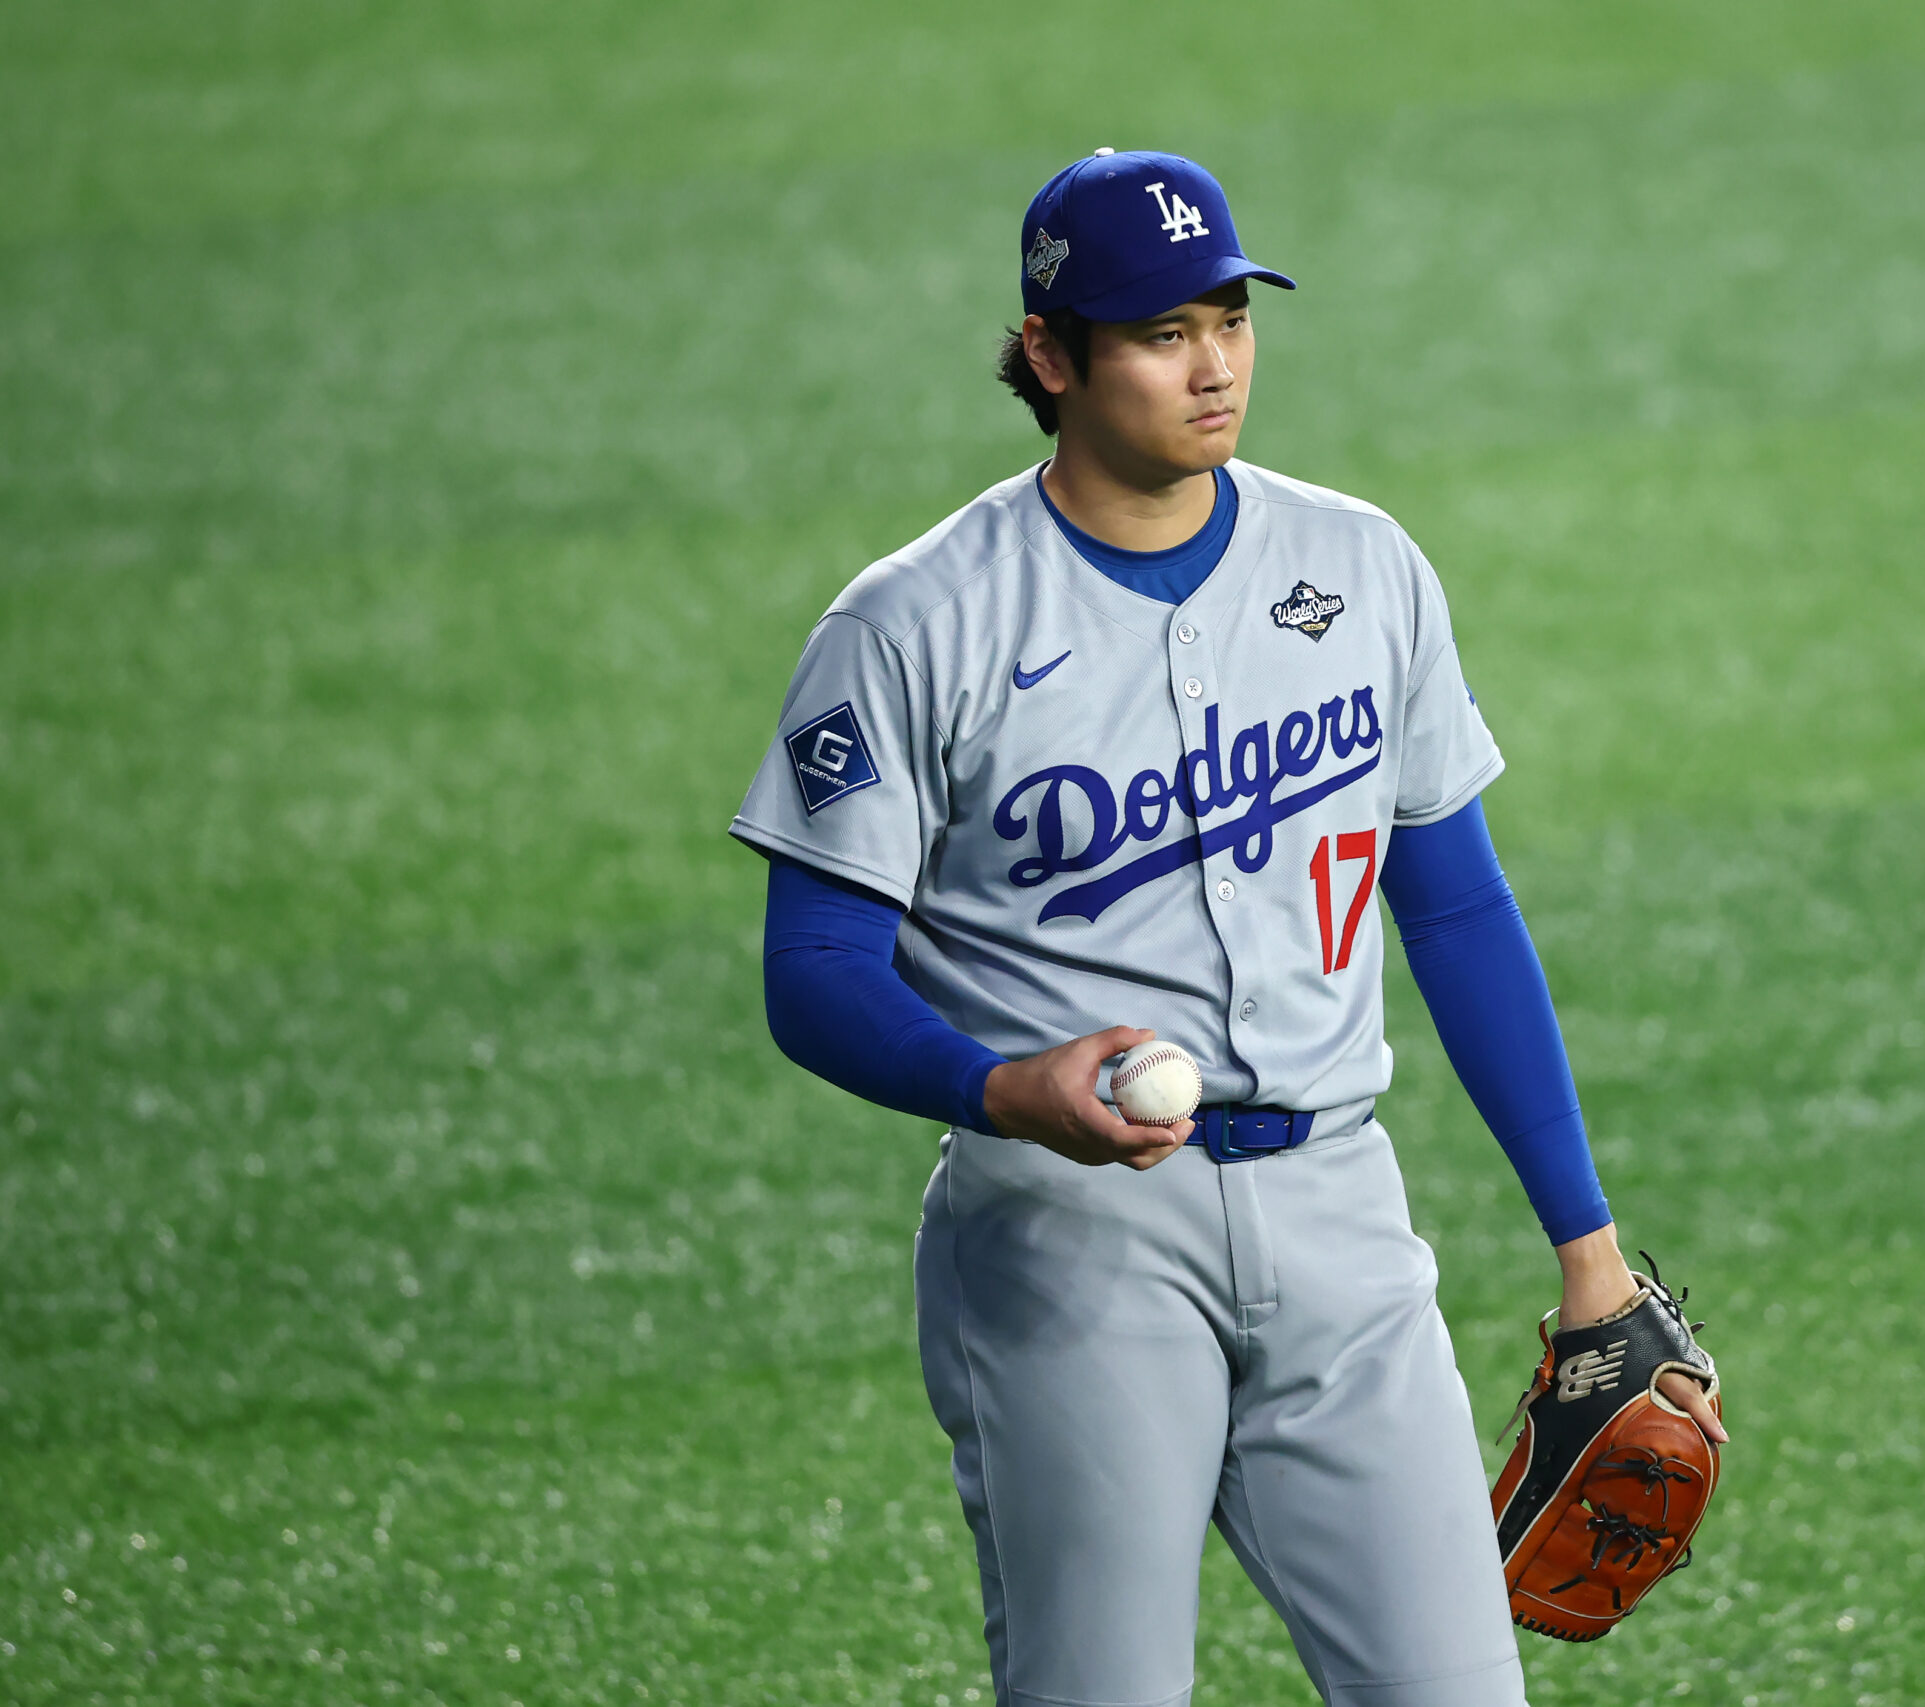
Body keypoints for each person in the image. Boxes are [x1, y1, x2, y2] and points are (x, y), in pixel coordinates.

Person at [730, 147, 1723, 1707]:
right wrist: (1008, 1091)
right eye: (1158, 334)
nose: (1212, 367)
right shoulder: (916, 624)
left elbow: (1454, 901)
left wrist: (1586, 1248)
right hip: (1072, 1243)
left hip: (1343, 1221)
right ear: (1051, 358)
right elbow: (812, 974)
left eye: (1229, 319)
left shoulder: (1358, 563)